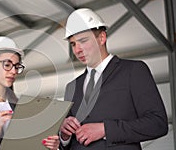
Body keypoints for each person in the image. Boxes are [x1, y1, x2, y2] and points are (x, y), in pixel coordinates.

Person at [59, 8, 168, 150]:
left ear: (102, 38)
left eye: (83, 41)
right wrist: (64, 136)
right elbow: (66, 145)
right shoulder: (72, 86)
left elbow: (157, 123)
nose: (77, 50)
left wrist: (105, 129)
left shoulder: (133, 71)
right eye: (73, 44)